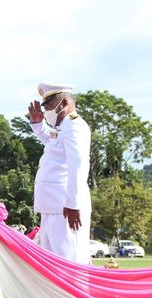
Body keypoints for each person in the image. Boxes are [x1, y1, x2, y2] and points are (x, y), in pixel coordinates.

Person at [27, 83, 91, 265]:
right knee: (52, 267)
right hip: (52, 208)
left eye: (47, 107)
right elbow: (51, 142)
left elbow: (77, 166)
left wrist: (73, 203)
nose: (45, 111)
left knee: (69, 263)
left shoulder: (75, 126)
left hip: (66, 208)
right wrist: (38, 124)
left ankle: (74, 295)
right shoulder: (62, 128)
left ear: (63, 103)